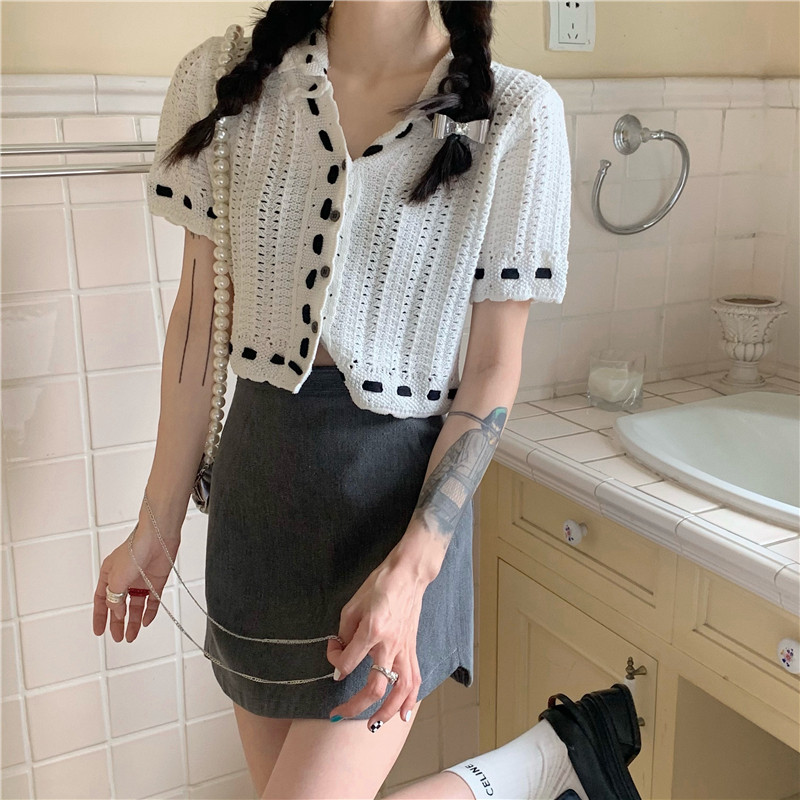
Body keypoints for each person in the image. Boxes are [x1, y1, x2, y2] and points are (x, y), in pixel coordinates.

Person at [92, 1, 642, 798]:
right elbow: (196, 323)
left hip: (398, 519)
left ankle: (540, 767)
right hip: (257, 510)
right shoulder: (224, 81)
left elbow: (492, 370)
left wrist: (412, 572)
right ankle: (548, 762)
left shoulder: (514, 115)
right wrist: (157, 523)